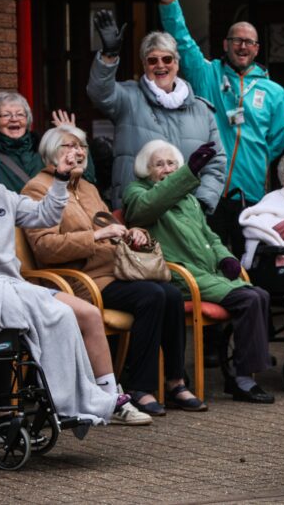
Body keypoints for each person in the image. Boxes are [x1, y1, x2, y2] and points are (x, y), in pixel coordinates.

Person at [0, 137, 148, 426]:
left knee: (89, 314)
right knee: (61, 316)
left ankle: (109, 396)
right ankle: (64, 399)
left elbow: (47, 214)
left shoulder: (4, 194)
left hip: (18, 284)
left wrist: (60, 177)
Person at [22, 126, 207, 415]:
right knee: (151, 295)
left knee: (170, 293)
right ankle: (139, 387)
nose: (79, 152)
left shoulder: (88, 187)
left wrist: (130, 232)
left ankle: (175, 381)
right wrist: (94, 237)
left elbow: (107, 227)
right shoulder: (36, 188)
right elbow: (45, 248)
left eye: (81, 145)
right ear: (51, 153)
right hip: (79, 281)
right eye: (69, 146)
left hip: (114, 272)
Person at [123, 140, 275, 404]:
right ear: (146, 169)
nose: (167, 169)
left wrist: (227, 257)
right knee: (249, 298)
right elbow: (147, 207)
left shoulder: (188, 198)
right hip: (180, 276)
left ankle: (242, 373)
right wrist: (187, 174)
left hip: (206, 273)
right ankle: (243, 380)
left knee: (260, 294)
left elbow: (211, 237)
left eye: (172, 163)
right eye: (159, 164)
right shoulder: (138, 192)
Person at [159, 0, 284, 258]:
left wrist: (251, 160)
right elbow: (182, 40)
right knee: (208, 258)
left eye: (249, 42)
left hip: (251, 194)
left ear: (257, 49)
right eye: (237, 40)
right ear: (225, 45)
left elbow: (276, 142)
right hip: (208, 190)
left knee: (250, 262)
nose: (243, 46)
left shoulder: (274, 91)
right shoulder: (208, 75)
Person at [87, 11, 226, 216]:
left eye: (167, 59)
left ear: (177, 64)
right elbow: (100, 93)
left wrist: (202, 204)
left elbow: (216, 163)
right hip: (137, 212)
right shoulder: (129, 98)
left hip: (186, 215)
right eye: (152, 61)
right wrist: (109, 55)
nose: (160, 65)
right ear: (144, 65)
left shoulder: (201, 110)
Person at [0, 95, 97, 192]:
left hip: (46, 222)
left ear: (28, 120)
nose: (14, 119)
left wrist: (74, 139)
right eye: (6, 115)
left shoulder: (43, 148)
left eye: (20, 114)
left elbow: (85, 180)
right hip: (8, 227)